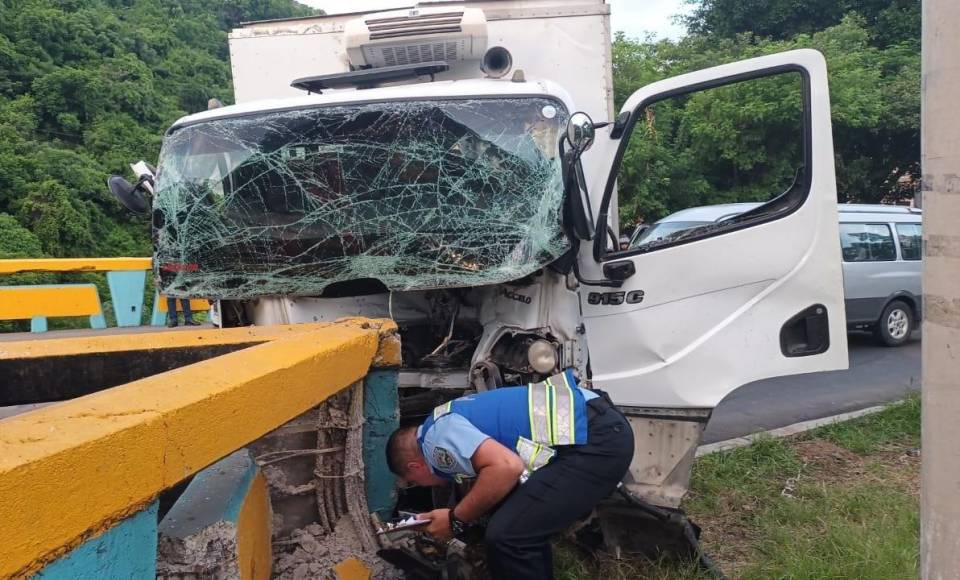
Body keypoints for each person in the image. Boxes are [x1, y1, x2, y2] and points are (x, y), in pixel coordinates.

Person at [386, 369, 634, 579]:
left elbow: (506, 467)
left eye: (413, 482)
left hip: (596, 441)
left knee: (508, 537)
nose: (420, 484)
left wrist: (455, 519)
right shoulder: (443, 417)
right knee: (515, 525)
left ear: (414, 468)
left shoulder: (436, 441)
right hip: (598, 428)